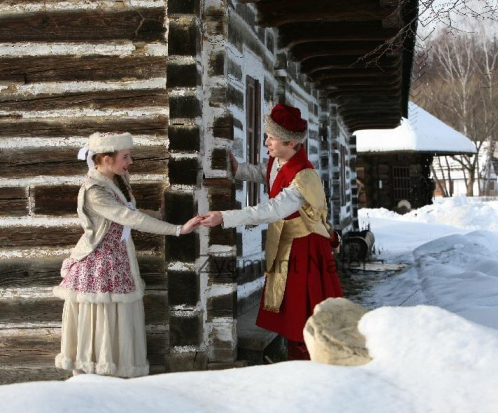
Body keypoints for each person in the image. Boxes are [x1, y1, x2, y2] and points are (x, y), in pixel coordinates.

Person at [201, 104, 343, 360]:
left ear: (290, 142)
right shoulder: (280, 160)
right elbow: (267, 174)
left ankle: (309, 366)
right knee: (290, 314)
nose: (266, 141)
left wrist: (225, 217)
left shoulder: (304, 178)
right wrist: (239, 170)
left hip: (304, 248)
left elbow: (272, 209)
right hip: (286, 244)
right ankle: (294, 361)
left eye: (271, 138)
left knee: (303, 316)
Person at [54, 131, 202, 377]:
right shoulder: (94, 190)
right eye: (125, 156)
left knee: (117, 318)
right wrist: (177, 230)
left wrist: (158, 216)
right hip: (98, 263)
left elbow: (130, 211)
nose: (130, 162)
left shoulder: (114, 181)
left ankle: (115, 374)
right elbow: (128, 217)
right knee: (100, 319)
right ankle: (92, 376)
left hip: (117, 259)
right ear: (106, 159)